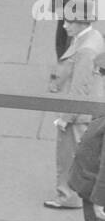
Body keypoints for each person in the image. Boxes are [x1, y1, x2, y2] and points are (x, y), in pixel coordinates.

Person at [44, 18, 105, 208]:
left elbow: (79, 87)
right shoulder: (92, 37)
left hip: (78, 114)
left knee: (68, 155)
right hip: (91, 109)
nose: (64, 26)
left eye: (69, 22)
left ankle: (68, 196)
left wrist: (65, 117)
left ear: (82, 22)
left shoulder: (85, 49)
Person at [66, 51, 105, 221]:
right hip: (92, 187)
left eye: (98, 73)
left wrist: (101, 201)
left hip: (95, 192)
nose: (94, 78)